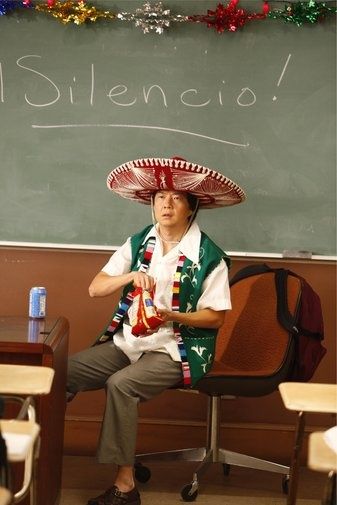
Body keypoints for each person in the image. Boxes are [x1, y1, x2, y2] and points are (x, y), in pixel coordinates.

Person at [66, 156, 245, 505]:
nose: (166, 203)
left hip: (177, 349)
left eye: (176, 198)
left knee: (122, 385)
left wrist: (173, 317)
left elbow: (216, 318)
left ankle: (125, 485)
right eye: (160, 197)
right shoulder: (138, 242)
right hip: (129, 342)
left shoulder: (208, 256)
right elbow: (96, 287)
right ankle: (20, 459)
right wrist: (131, 276)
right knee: (60, 372)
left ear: (191, 208)